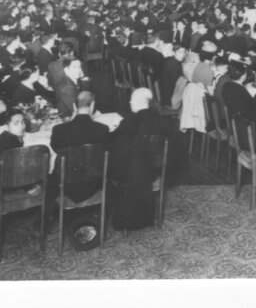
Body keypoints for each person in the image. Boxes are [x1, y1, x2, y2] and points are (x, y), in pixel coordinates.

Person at [108, 88, 170, 230]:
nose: (130, 102)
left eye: (131, 100)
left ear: (137, 102)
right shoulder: (163, 122)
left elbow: (114, 145)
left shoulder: (127, 122)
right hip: (153, 172)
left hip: (130, 175)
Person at [49, 91, 111, 201]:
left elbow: (55, 148)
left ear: (74, 106)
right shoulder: (103, 129)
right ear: (93, 105)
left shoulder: (59, 130)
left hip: (65, 186)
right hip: (94, 184)